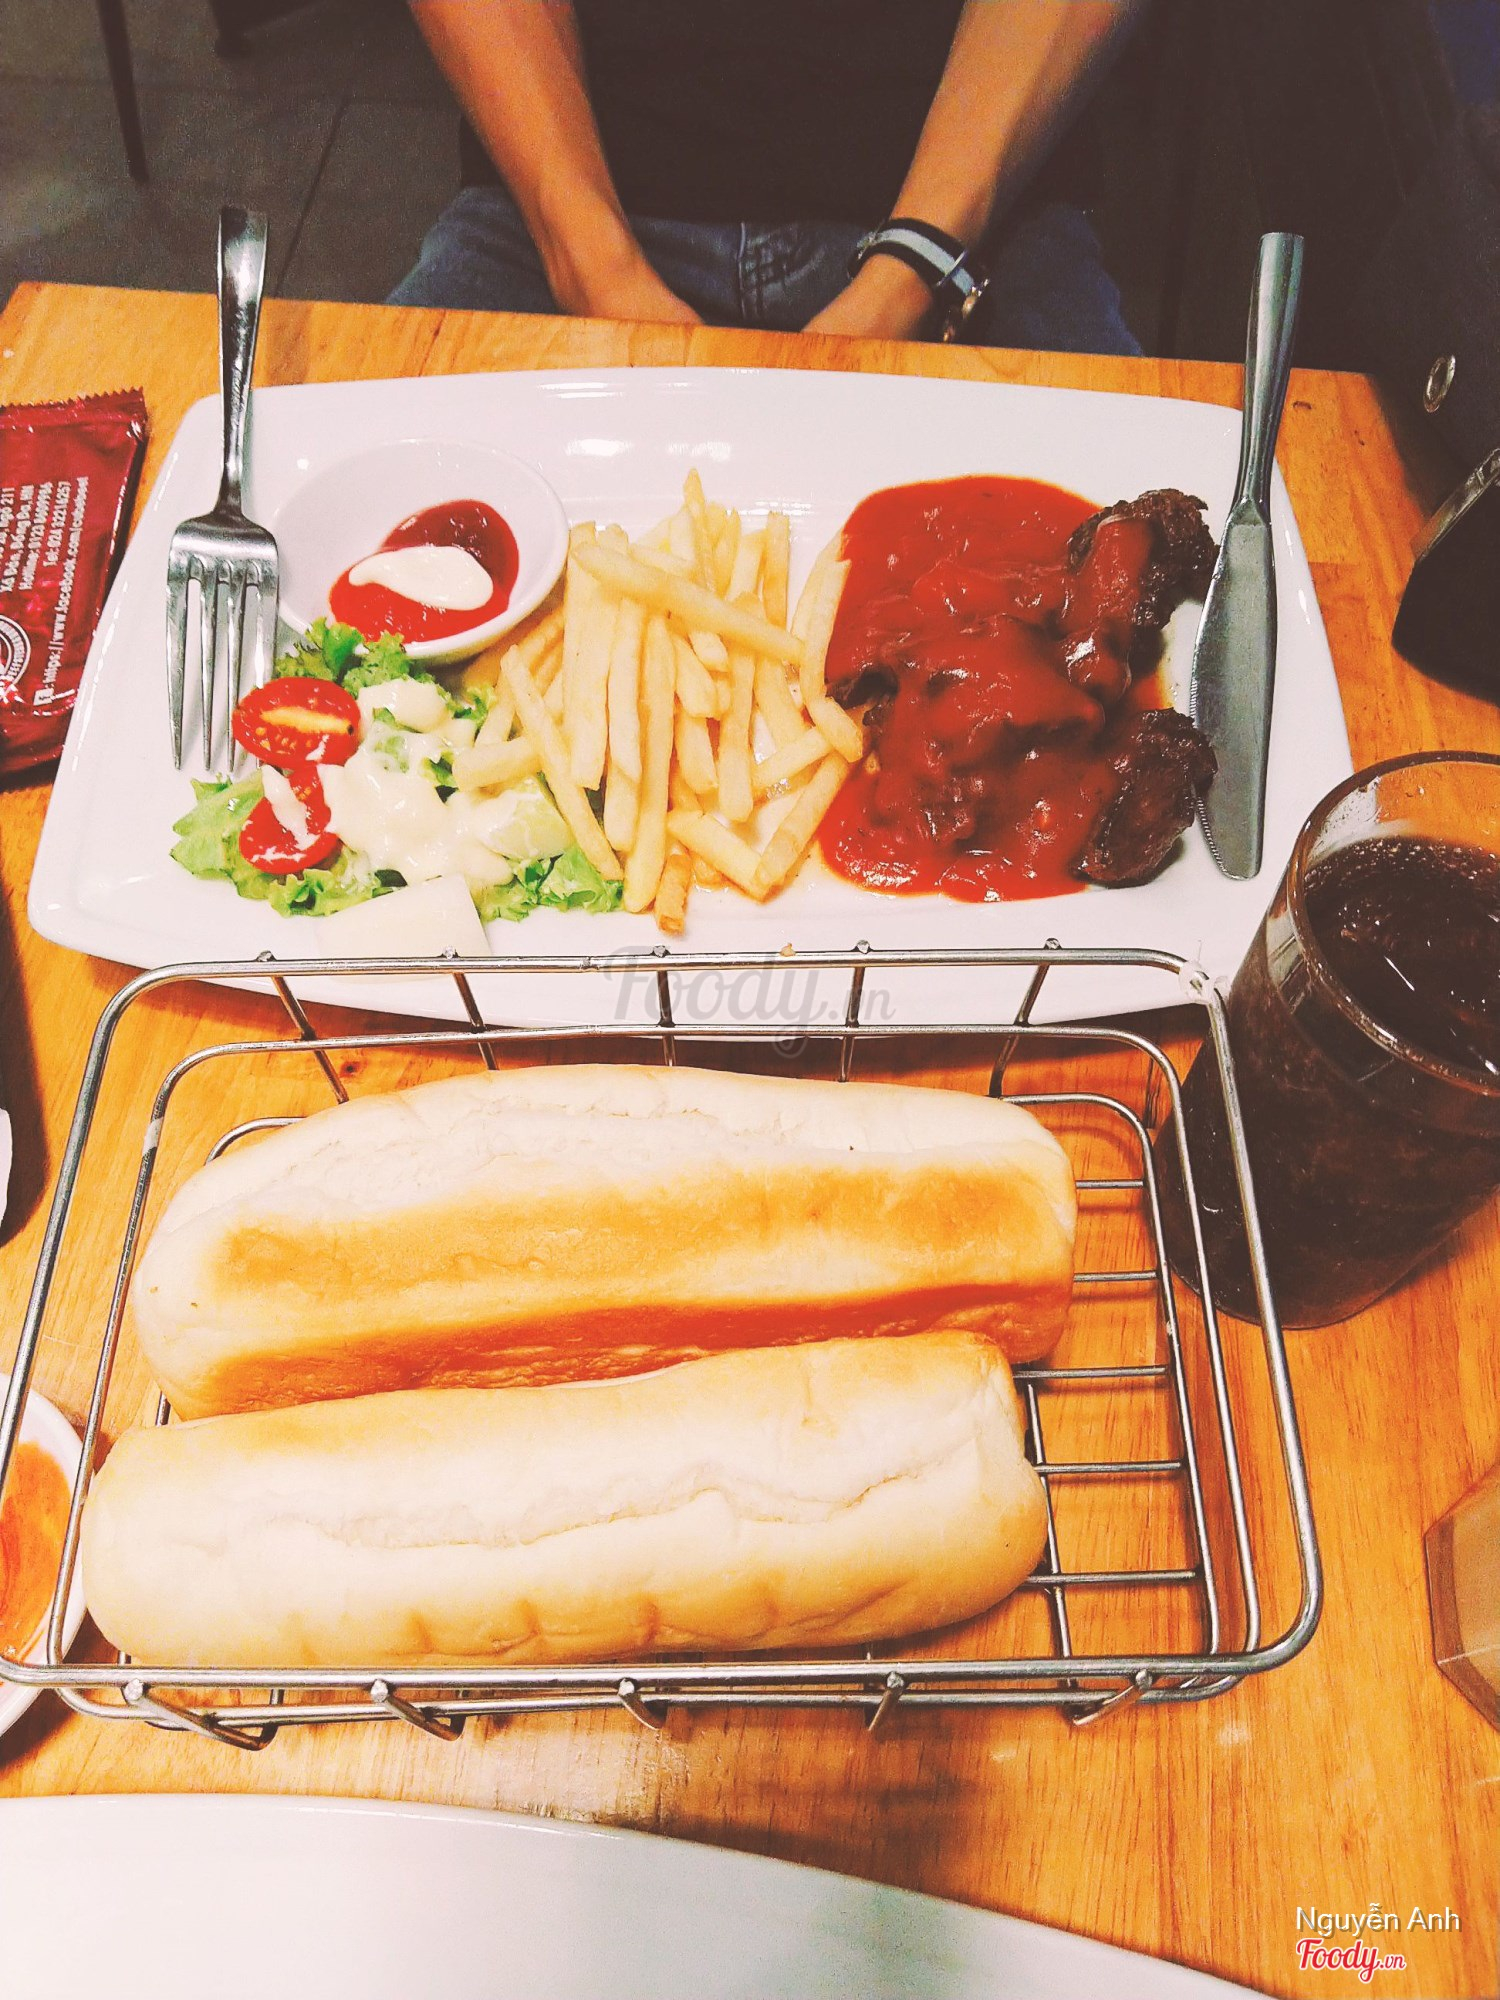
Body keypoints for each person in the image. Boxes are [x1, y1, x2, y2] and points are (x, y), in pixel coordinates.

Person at [393, 0, 1144, 354]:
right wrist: (593, 265)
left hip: (976, 229)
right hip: (563, 197)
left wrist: (916, 263)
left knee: (1136, 577)